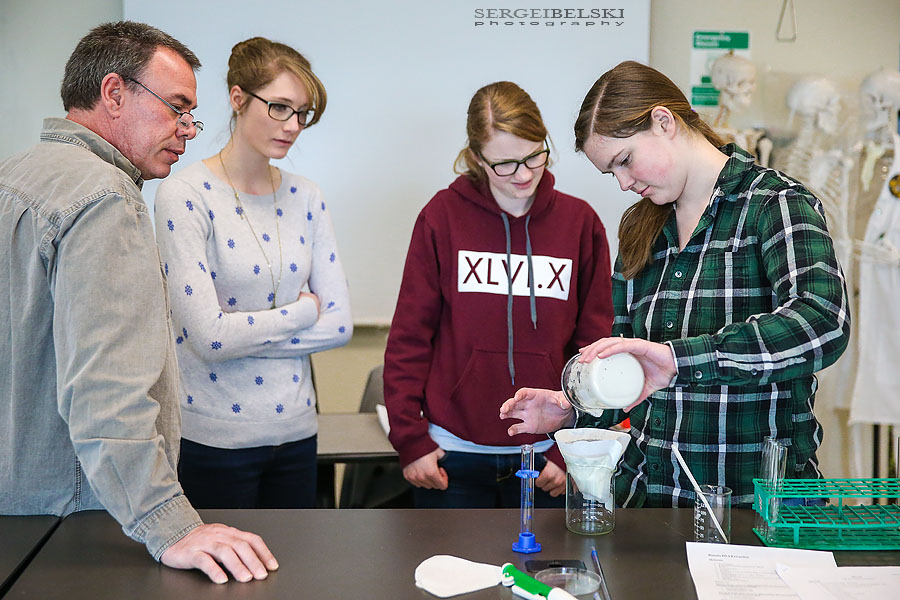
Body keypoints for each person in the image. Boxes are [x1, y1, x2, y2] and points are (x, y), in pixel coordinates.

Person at [500, 61, 850, 508]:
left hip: (754, 506)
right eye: (613, 173)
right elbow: (633, 370)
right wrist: (575, 405)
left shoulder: (775, 204)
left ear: (663, 121)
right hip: (647, 500)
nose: (625, 184)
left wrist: (678, 359)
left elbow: (824, 323)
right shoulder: (641, 228)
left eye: (625, 161)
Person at [0, 21, 277, 583]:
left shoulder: (16, 178)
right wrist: (169, 522)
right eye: (177, 107)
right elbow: (106, 389)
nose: (188, 130)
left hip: (17, 519)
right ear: (114, 93)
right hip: (79, 522)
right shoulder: (105, 201)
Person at [384, 81, 613, 508]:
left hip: (547, 458)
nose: (524, 174)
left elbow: (594, 348)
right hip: (452, 456)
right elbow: (409, 338)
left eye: (534, 155)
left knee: (545, 576)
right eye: (505, 164)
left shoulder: (580, 224)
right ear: (475, 159)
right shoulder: (441, 217)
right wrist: (410, 439)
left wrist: (569, 447)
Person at [153, 37, 352, 509]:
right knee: (219, 581)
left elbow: (341, 323)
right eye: (280, 107)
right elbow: (208, 338)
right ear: (238, 98)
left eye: (303, 113)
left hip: (298, 433)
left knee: (298, 574)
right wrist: (303, 312)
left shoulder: (307, 196)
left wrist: (236, 337)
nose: (293, 126)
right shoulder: (184, 195)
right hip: (213, 439)